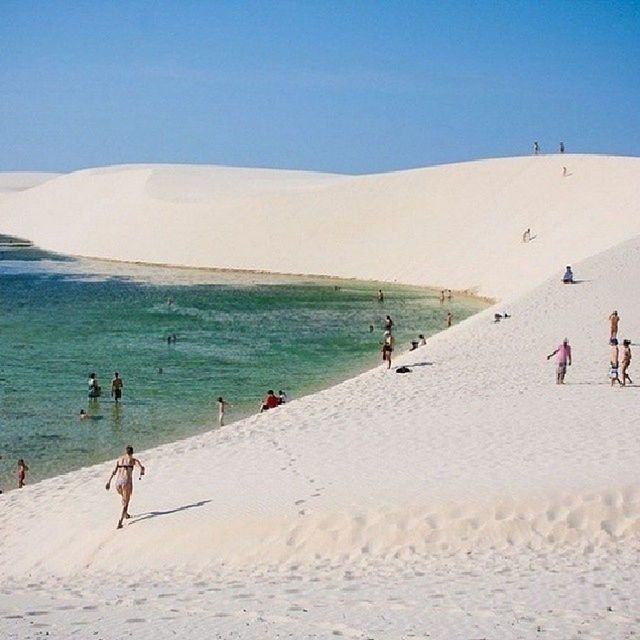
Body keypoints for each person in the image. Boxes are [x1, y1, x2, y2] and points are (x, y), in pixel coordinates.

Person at [105, 446, 145, 530]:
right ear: (132, 453)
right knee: (126, 501)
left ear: (125, 452)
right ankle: (120, 521)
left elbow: (114, 471)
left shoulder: (119, 459)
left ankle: (126, 514)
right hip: (127, 482)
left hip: (118, 482)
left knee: (124, 498)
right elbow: (140, 467)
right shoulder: (133, 460)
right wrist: (142, 471)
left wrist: (109, 481)